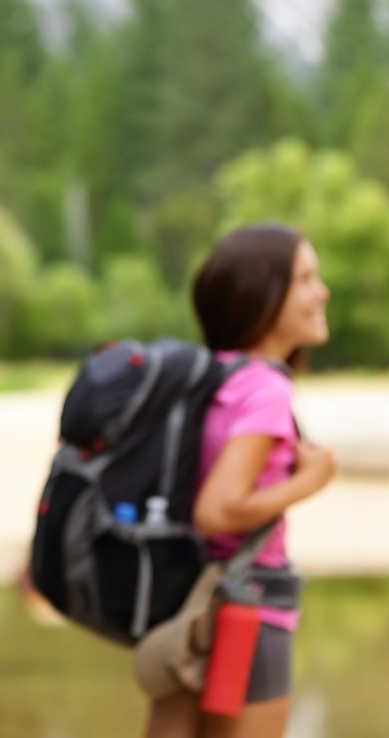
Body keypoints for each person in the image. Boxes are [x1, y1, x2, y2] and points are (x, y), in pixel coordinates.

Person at [144, 223, 337, 738]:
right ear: (263, 293)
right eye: (305, 279)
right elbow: (218, 512)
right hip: (247, 614)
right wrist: (312, 480)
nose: (323, 292)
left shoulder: (213, 375)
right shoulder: (266, 388)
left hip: (187, 609)